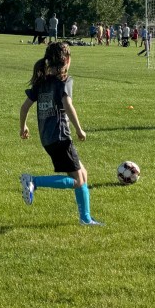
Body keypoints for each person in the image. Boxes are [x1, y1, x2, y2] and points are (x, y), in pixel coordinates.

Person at [18, 41, 102, 226]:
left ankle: (86, 218)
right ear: (67, 60)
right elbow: (67, 105)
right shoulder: (64, 81)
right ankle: (34, 181)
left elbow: (24, 107)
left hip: (47, 138)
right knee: (77, 180)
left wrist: (23, 127)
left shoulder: (42, 82)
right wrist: (79, 129)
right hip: (61, 137)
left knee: (83, 174)